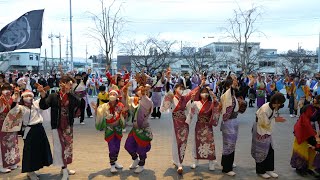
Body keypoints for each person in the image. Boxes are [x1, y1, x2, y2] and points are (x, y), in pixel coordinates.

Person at [160, 68, 205, 174]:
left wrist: (201, 84)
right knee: (175, 142)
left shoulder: (185, 98)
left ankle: (179, 162)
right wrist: (167, 78)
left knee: (182, 142)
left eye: (182, 88)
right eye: (179, 88)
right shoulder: (171, 97)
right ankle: (178, 162)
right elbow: (167, 90)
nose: (181, 89)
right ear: (175, 89)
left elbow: (193, 93)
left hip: (184, 123)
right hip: (175, 122)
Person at [3, 90, 52, 180]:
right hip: (29, 130)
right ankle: (30, 171)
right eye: (26, 96)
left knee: (39, 150)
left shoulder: (36, 104)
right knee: (30, 152)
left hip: (40, 129)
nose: (29, 97)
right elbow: (13, 108)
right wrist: (16, 96)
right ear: (23, 97)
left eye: (30, 95)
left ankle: (35, 169)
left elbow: (44, 104)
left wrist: (42, 93)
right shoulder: (20, 107)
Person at [38, 75, 80, 180]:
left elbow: (79, 103)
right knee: (60, 147)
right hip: (57, 126)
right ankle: (64, 170)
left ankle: (64, 168)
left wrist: (70, 93)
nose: (69, 86)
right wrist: (43, 94)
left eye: (70, 85)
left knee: (68, 147)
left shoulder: (71, 96)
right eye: (67, 84)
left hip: (68, 125)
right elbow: (43, 106)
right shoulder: (53, 96)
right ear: (61, 83)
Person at [251, 92, 286, 179]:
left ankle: (269, 169)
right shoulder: (264, 109)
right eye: (280, 103)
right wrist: (275, 120)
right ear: (277, 102)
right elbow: (264, 124)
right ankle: (261, 171)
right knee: (261, 151)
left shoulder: (272, 107)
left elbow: (270, 120)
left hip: (266, 131)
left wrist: (275, 119)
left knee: (270, 150)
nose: (280, 106)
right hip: (260, 130)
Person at [94, 86, 127, 173]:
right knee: (111, 147)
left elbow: (125, 114)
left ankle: (115, 161)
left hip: (118, 129)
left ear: (117, 96)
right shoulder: (104, 106)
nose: (112, 95)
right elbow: (99, 114)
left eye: (114, 94)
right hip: (109, 129)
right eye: (111, 94)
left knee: (117, 147)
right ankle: (112, 165)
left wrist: (123, 112)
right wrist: (96, 110)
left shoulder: (120, 105)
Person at [187, 86, 220, 171]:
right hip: (199, 125)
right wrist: (191, 99)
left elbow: (217, 102)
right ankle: (195, 161)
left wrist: (210, 91)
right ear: (200, 94)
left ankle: (211, 162)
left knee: (210, 143)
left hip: (208, 126)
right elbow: (190, 109)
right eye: (203, 92)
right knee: (197, 142)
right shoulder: (196, 102)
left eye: (206, 92)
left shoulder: (211, 103)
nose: (204, 94)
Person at [124, 83, 153, 174]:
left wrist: (144, 93)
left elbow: (145, 100)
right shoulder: (136, 100)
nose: (142, 91)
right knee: (128, 145)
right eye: (141, 89)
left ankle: (141, 164)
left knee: (142, 148)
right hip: (135, 128)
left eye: (145, 90)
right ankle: (135, 159)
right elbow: (127, 100)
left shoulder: (148, 102)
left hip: (143, 129)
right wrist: (125, 91)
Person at [290, 95, 320, 177]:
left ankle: (308, 168)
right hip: (303, 132)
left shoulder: (317, 110)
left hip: (311, 133)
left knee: (311, 151)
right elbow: (306, 123)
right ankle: (300, 168)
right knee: (301, 151)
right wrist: (314, 136)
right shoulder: (309, 108)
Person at [0, 83, 20, 173]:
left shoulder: (11, 98)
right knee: (2, 144)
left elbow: (17, 107)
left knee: (12, 143)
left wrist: (16, 95)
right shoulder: (1, 99)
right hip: (1, 124)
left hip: (10, 124)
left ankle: (12, 162)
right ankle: (1, 164)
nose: (7, 91)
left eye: (9, 89)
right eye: (5, 89)